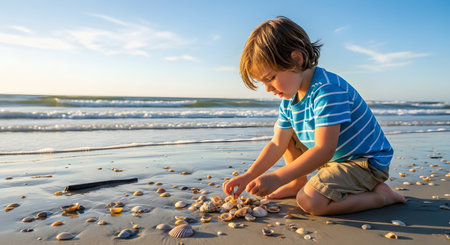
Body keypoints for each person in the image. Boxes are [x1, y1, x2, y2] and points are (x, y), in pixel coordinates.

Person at [222, 16, 406, 215]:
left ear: (296, 59)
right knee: (284, 134)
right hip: (335, 160)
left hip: (364, 163)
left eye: (271, 78)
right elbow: (277, 144)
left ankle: (382, 197)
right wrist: (249, 175)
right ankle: (296, 183)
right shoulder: (289, 99)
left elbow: (324, 149)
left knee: (310, 201)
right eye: (263, 83)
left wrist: (278, 177)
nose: (267, 88)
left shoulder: (327, 90)